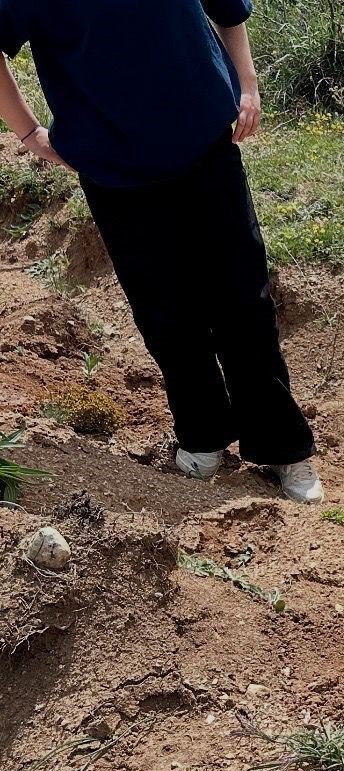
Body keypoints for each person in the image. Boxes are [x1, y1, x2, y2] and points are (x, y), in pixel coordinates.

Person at [0, 0, 324, 503]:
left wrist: (249, 85)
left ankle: (283, 447)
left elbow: (228, 9)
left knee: (244, 300)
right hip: (113, 171)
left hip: (205, 144)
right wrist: (27, 131)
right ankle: (203, 437)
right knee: (165, 313)